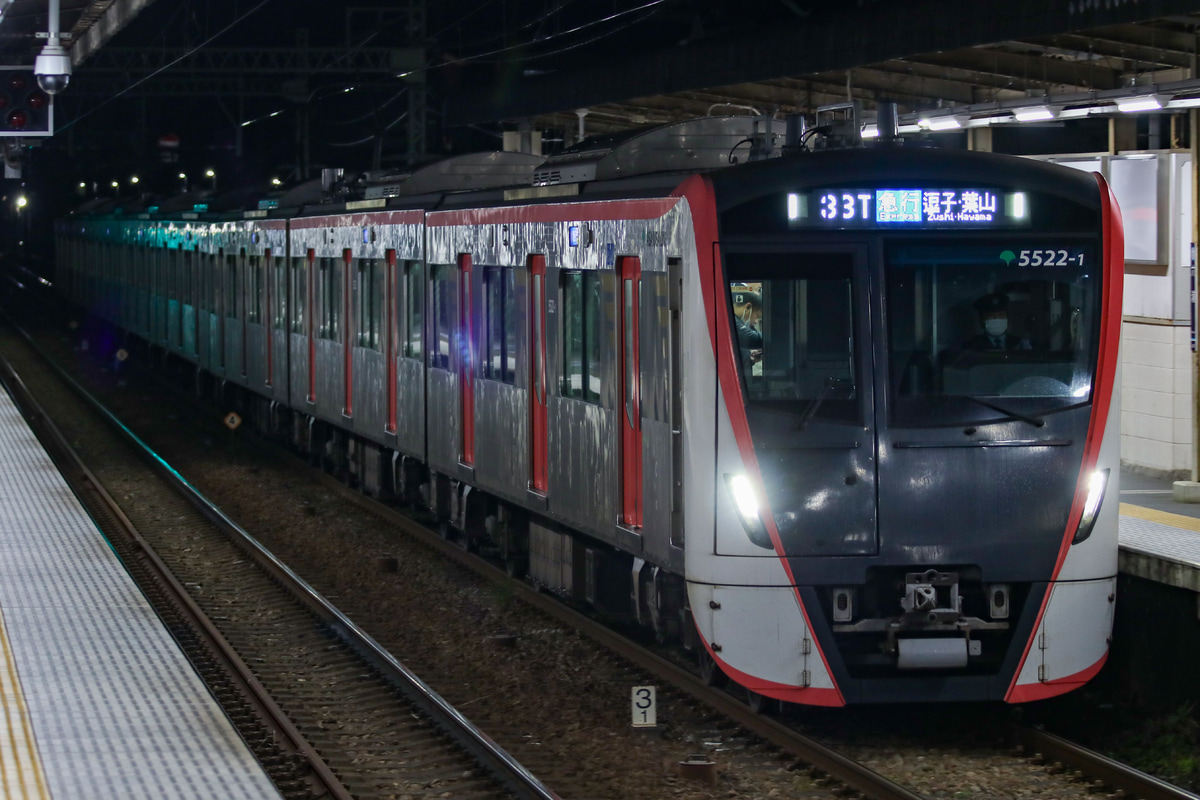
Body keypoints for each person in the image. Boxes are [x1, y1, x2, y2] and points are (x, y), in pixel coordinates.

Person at [964, 292, 1031, 351]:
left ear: (1007, 318)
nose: (997, 319)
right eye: (991, 316)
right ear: (982, 320)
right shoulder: (972, 346)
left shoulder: (1020, 344)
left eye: (1001, 315)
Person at [731, 286, 762, 368]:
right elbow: (752, 338)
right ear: (748, 307)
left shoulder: (737, 322)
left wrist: (751, 359)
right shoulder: (730, 321)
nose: (756, 321)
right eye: (757, 316)